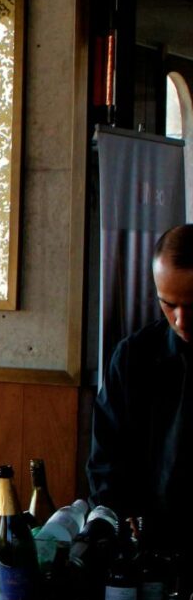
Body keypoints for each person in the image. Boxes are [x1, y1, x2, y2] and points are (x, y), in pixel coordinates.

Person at [88, 224, 193, 557]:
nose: (181, 321)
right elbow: (105, 456)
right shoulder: (134, 357)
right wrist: (116, 506)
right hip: (147, 548)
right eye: (168, 305)